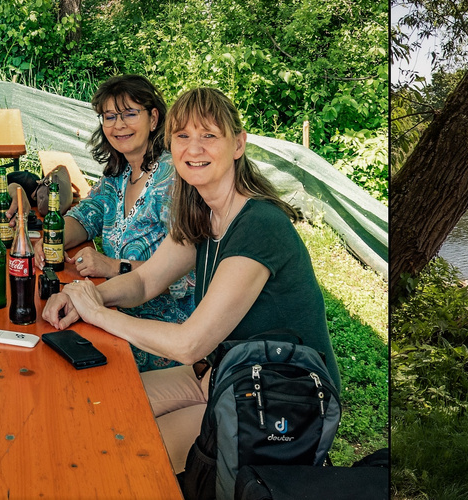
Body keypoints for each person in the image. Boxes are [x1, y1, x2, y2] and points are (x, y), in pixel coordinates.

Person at [41, 87, 334, 473]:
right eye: (183, 136)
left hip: (276, 397)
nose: (193, 149)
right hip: (218, 375)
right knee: (96, 411)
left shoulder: (260, 225)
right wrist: (81, 297)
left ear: (237, 144)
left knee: (126, 457)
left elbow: (189, 343)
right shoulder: (200, 211)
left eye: (208, 136)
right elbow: (146, 281)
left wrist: (98, 313)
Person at [45, 74, 198, 372]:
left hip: (163, 329)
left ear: (153, 118)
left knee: (70, 365)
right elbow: (87, 214)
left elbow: (189, 277)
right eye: (109, 116)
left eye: (129, 114)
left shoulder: (174, 179)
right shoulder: (119, 174)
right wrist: (51, 238)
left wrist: (112, 266)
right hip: (116, 309)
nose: (118, 125)